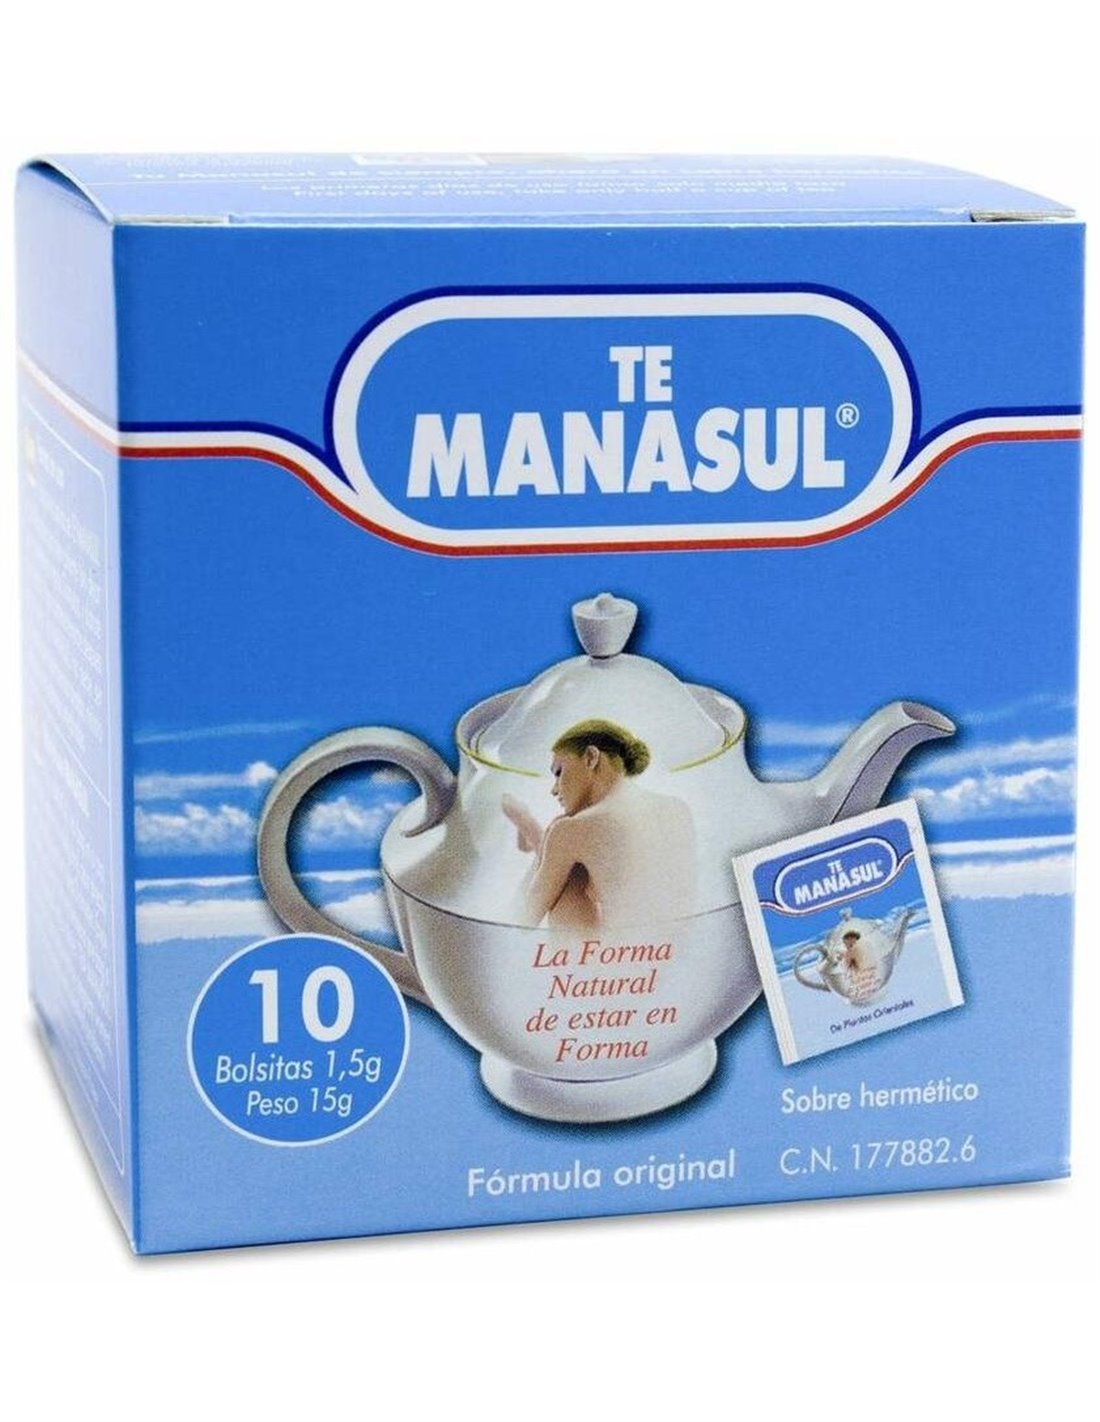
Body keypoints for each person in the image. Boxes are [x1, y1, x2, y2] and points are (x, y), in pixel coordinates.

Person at [501, 719, 697, 931]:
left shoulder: (573, 829)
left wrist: (533, 827)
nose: (554, 790)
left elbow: (521, 921)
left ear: (591, 757)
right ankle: (530, 827)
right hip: (677, 948)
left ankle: (528, 825)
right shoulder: (678, 808)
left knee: (570, 877)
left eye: (559, 772)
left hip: (608, 951)